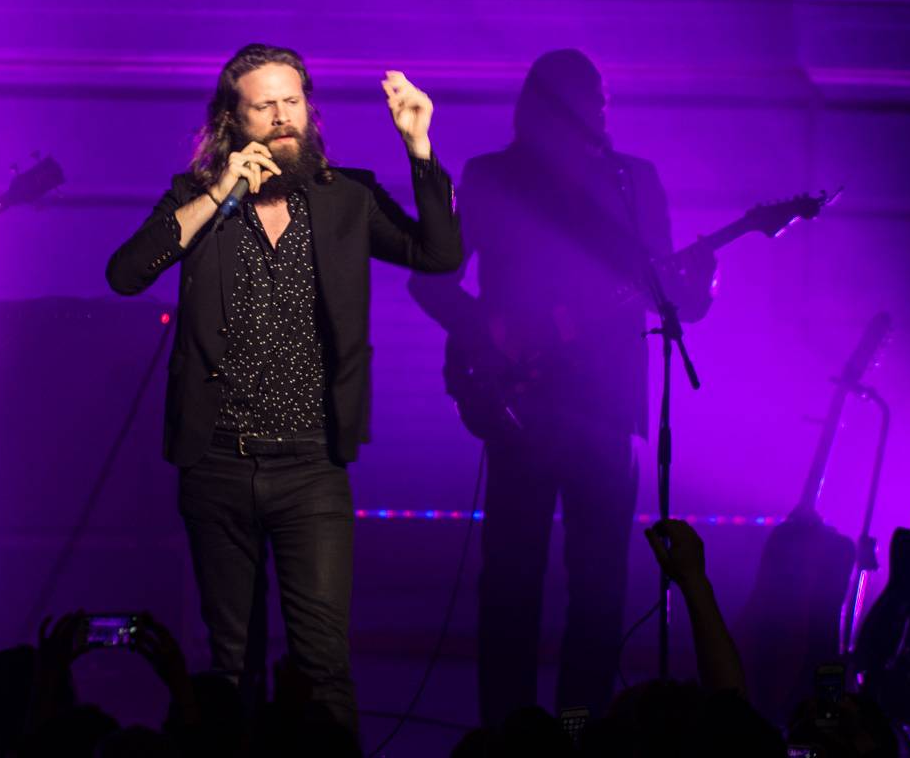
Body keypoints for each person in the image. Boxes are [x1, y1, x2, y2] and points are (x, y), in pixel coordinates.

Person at [105, 43, 463, 736]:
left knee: (323, 662)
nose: (281, 118)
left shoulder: (345, 198)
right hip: (216, 462)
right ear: (232, 120)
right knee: (229, 660)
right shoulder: (198, 200)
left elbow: (440, 256)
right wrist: (216, 195)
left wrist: (419, 147)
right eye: (263, 105)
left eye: (292, 101)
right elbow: (126, 273)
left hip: (312, 467)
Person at [409, 49, 714, 725]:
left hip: (605, 410)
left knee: (599, 591)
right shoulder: (491, 179)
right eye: (590, 99)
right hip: (522, 403)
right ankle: (508, 735)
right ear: (551, 106)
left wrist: (702, 286)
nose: (602, 111)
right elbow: (429, 279)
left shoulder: (634, 182)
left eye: (605, 99)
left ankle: (579, 735)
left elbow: (672, 296)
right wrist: (493, 329)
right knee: (514, 584)